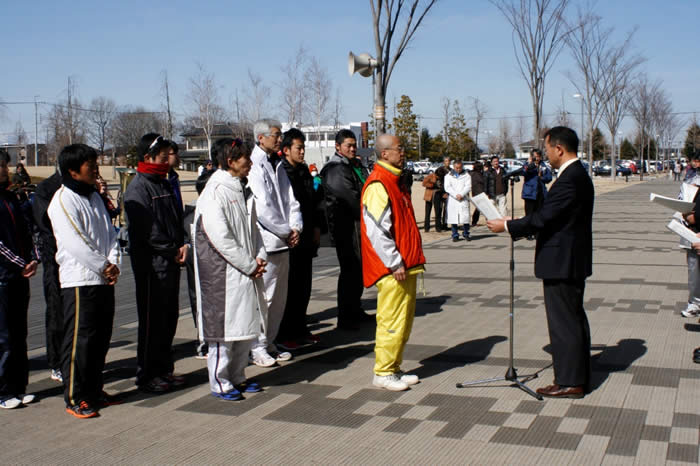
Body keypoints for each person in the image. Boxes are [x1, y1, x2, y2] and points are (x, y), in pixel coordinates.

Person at [487, 126, 594, 399]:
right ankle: (576, 374)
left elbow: (544, 217)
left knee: (564, 323)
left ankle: (570, 381)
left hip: (563, 261)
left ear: (559, 149)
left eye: (547, 148)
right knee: (572, 318)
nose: (545, 154)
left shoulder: (571, 178)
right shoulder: (576, 175)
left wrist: (508, 225)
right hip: (569, 259)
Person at [47, 144, 120, 418]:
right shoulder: (63, 200)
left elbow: (110, 234)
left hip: (103, 278)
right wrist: (103, 266)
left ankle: (94, 389)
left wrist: (113, 263)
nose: (96, 170)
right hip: (80, 280)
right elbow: (75, 242)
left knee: (101, 338)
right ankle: (75, 396)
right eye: (90, 166)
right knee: (80, 340)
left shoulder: (95, 198)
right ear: (73, 171)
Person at [193, 138, 266, 401]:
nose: (249, 162)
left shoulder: (241, 189)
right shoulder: (215, 192)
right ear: (231, 161)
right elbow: (220, 237)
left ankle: (238, 375)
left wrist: (259, 256)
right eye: (245, 157)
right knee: (223, 332)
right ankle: (219, 381)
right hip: (223, 276)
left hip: (245, 272)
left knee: (244, 329)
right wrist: (249, 264)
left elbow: (253, 230)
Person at [361, 134, 425, 391]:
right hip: (393, 268)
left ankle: (393, 367)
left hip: (405, 265)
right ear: (385, 153)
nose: (404, 152)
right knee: (391, 321)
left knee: (403, 320)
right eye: (400, 149)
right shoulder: (379, 183)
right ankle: (384, 371)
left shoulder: (394, 180)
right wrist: (394, 262)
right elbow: (376, 230)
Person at [124, 134, 187, 393]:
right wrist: (172, 249)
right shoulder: (138, 188)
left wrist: (182, 245)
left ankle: (164, 369)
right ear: (147, 158)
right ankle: (147, 374)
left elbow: (176, 219)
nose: (166, 161)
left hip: (170, 262)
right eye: (161, 157)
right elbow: (148, 231)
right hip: (152, 266)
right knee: (152, 322)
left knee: (169, 319)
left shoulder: (163, 183)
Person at [247, 119, 302, 366]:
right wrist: (284, 230)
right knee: (265, 298)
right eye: (275, 135)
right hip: (268, 241)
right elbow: (263, 206)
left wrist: (296, 226)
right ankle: (256, 345)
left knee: (280, 297)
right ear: (261, 138)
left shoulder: (277, 163)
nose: (280, 139)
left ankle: (270, 340)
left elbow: (291, 200)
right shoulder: (253, 165)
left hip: (284, 241)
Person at [321, 129, 372, 330]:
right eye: (348, 145)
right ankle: (346, 316)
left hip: (356, 227)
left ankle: (355, 309)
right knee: (350, 271)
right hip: (346, 227)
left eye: (354, 145)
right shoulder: (336, 169)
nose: (352, 148)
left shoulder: (352, 165)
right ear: (338, 146)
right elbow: (351, 198)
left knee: (356, 271)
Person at [277, 129, 322, 350]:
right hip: (289, 239)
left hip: (306, 237)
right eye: (299, 148)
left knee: (304, 286)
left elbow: (313, 202)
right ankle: (285, 333)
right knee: (290, 287)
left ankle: (300, 327)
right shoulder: (281, 173)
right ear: (286, 150)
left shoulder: (303, 170)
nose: (303, 152)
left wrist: (316, 227)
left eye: (304, 147)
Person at [0, 149, 38, 410]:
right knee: (3, 337)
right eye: (1, 166)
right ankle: (3, 391)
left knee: (19, 333)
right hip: (3, 277)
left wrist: (33, 257)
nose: (5, 170)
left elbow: (25, 231)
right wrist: (20, 262)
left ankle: (18, 386)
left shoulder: (11, 198)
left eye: (5, 165)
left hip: (19, 276)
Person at [32, 169, 65, 384]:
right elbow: (45, 222)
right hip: (54, 256)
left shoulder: (85, 189)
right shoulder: (46, 189)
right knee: (56, 310)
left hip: (76, 261)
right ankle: (56, 362)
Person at [445, 160, 472, 242]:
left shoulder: (467, 175)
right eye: (457, 168)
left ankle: (466, 233)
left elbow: (468, 186)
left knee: (465, 218)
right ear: (454, 167)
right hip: (453, 199)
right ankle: (455, 234)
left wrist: (462, 194)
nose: (458, 169)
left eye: (460, 168)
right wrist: (455, 194)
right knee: (454, 219)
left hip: (463, 198)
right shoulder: (448, 176)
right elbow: (447, 187)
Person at [434, 157, 451, 232]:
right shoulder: (440, 170)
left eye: (449, 161)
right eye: (446, 161)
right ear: (444, 162)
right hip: (439, 192)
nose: (448, 162)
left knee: (447, 210)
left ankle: (445, 224)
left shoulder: (451, 170)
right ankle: (438, 226)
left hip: (448, 192)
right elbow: (438, 182)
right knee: (438, 210)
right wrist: (443, 192)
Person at [470, 161, 485, 227]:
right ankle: (474, 221)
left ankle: (474, 221)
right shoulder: (477, 174)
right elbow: (482, 181)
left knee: (479, 208)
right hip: (479, 192)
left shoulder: (472, 173)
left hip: (475, 192)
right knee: (480, 208)